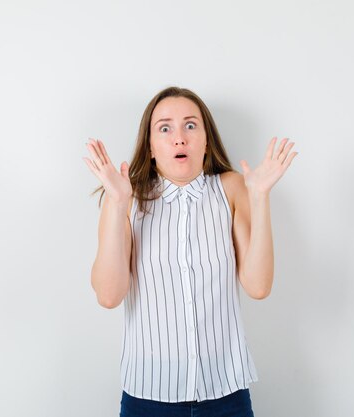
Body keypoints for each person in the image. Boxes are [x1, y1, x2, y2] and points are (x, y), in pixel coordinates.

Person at [82, 86, 297, 417]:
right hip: (147, 397)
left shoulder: (233, 188)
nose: (179, 138)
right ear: (151, 146)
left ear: (206, 141)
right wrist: (118, 202)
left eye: (190, 125)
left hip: (226, 395)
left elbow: (258, 286)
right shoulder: (127, 198)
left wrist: (260, 197)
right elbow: (109, 295)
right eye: (165, 128)